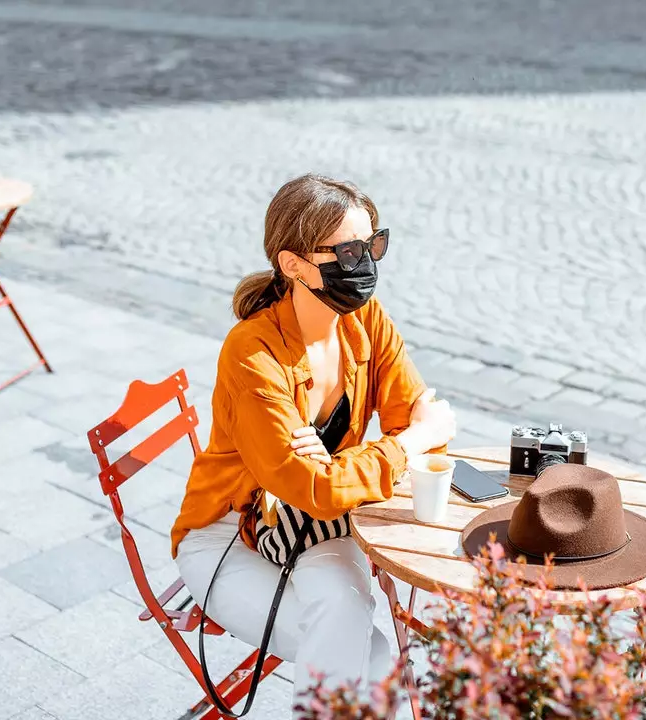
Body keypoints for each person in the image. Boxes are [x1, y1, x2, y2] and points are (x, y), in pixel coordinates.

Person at [171, 173, 457, 705]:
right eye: (348, 252)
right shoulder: (251, 353)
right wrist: (404, 445)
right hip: (230, 534)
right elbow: (327, 480)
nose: (366, 265)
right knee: (366, 654)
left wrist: (347, 464)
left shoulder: (365, 320)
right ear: (294, 264)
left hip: (316, 528)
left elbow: (415, 417)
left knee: (356, 640)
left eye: (374, 245)